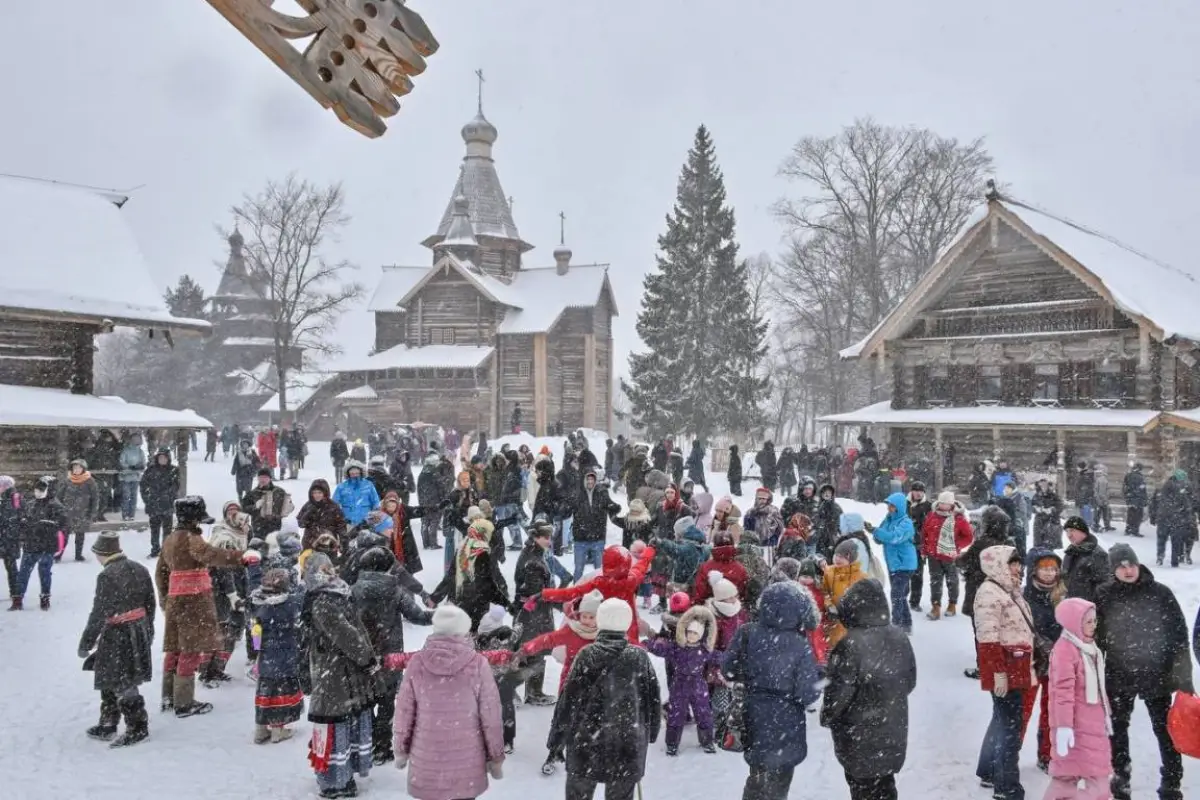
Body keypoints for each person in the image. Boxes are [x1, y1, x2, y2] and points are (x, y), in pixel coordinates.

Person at [1095, 543, 1192, 800]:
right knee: (1117, 729)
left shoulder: (1160, 593)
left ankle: (1171, 782)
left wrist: (1183, 677)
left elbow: (1179, 636)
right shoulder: (1104, 595)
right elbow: (1096, 637)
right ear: (1113, 570)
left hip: (1156, 673)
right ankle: (1120, 779)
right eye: (1121, 566)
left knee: (1165, 730)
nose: (1127, 570)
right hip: (1119, 673)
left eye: (1131, 565)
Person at [546, 598, 661, 800]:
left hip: (585, 743)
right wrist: (651, 732)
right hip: (627, 744)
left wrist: (557, 739)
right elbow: (653, 700)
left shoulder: (586, 655)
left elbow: (568, 702)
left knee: (578, 795)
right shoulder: (639, 658)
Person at [722, 582, 821, 800]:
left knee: (758, 773)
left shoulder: (747, 632)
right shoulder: (799, 644)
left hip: (754, 714)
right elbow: (808, 694)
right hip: (787, 720)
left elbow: (728, 669)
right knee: (779, 781)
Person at [821, 579, 917, 800]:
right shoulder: (899, 636)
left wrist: (828, 715)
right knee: (885, 785)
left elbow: (838, 695)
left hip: (858, 735)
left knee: (863, 788)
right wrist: (887, 698)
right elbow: (909, 681)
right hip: (892, 729)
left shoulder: (850, 644)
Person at [156, 496, 250, 717]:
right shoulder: (191, 538)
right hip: (193, 600)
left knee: (174, 649)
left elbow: (161, 573)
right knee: (190, 649)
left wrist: (165, 598)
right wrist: (242, 556)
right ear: (193, 519)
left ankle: (168, 697)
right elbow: (212, 555)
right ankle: (184, 702)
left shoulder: (170, 539)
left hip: (175, 600)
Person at [303, 554, 385, 799]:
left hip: (346, 671)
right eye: (322, 568)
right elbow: (345, 633)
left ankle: (345, 776)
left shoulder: (338, 592)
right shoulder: (322, 600)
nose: (329, 571)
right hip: (333, 673)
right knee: (334, 724)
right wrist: (366, 657)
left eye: (329, 566)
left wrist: (366, 656)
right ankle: (332, 782)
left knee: (347, 722)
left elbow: (354, 630)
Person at [351, 547, 433, 763]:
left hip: (362, 654)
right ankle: (382, 746)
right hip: (390, 654)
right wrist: (443, 616)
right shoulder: (394, 590)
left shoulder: (353, 590)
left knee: (365, 700)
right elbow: (418, 616)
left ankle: (365, 742)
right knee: (387, 701)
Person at [77, 531, 156, 748]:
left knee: (121, 678)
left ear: (101, 553)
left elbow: (99, 612)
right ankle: (108, 722)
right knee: (112, 673)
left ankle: (137, 727)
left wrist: (86, 642)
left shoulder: (107, 575)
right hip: (138, 628)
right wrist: (148, 630)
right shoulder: (140, 568)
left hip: (118, 632)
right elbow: (150, 603)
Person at [973, 545, 1035, 800]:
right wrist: (998, 673)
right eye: (1013, 563)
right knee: (1010, 728)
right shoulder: (989, 593)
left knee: (1003, 722)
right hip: (1006, 669)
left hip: (1016, 666)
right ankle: (1007, 787)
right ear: (998, 564)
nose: (1018, 568)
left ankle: (990, 770)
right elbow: (987, 640)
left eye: (1018, 563)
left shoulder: (1008, 588)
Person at [1044, 597, 1112, 800]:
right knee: (1092, 784)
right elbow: (1062, 692)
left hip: (1092, 724)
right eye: (1088, 621)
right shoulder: (1066, 649)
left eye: (1094, 620)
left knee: (1068, 780)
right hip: (1076, 726)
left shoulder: (1088, 646)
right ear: (1074, 622)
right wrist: (1064, 726)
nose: (1094, 625)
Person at [539, 544, 657, 643]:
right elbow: (642, 563)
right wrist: (650, 549)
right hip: (628, 630)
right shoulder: (631, 580)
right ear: (627, 564)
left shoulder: (599, 583)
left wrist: (545, 594)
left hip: (604, 632)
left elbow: (571, 593)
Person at [645, 604, 723, 755]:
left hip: (698, 685)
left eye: (695, 633)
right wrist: (647, 645)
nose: (692, 636)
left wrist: (736, 660)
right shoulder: (676, 648)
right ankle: (672, 743)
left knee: (703, 713)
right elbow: (661, 648)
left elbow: (720, 657)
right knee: (676, 714)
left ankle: (707, 741)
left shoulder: (704, 650)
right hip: (679, 685)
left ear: (701, 635)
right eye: (689, 632)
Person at [248, 567, 305, 745]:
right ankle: (278, 730)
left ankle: (260, 729)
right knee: (281, 692)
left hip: (265, 656)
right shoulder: (289, 604)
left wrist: (257, 648)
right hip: (285, 656)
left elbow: (255, 633)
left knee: (265, 691)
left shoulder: (258, 604)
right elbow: (301, 599)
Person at [1021, 548, 1065, 773]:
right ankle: (1008, 755)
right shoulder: (1022, 596)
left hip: (1058, 663)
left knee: (1052, 711)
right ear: (1033, 570)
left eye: (1053, 568)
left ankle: (1047, 754)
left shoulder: (1065, 595)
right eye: (1044, 568)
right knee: (1021, 711)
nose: (1049, 573)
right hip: (1030, 663)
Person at [429, 518, 510, 632]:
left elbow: (450, 577)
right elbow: (493, 579)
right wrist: (504, 599)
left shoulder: (463, 550)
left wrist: (435, 597)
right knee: (471, 634)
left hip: (463, 600)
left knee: (461, 633)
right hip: (475, 603)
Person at [511, 522, 561, 706]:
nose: (549, 541)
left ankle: (519, 690)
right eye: (545, 537)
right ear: (535, 537)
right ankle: (529, 692)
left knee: (528, 652)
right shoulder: (533, 561)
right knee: (534, 652)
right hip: (534, 615)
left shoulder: (532, 554)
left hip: (530, 613)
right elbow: (536, 593)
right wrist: (559, 602)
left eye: (550, 537)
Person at [15, 476, 67, 610]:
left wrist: (46, 525)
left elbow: (62, 524)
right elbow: (24, 519)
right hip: (30, 544)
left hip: (47, 545)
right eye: (36, 490)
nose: (37, 493)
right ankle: (18, 599)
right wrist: (23, 523)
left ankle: (45, 598)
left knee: (44, 573)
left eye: (41, 490)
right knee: (23, 573)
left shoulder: (56, 505)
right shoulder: (31, 503)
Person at [920, 490, 973, 620]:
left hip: (950, 556)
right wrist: (924, 550)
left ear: (951, 504)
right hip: (933, 555)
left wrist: (956, 546)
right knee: (935, 582)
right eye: (941, 503)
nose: (942, 506)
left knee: (952, 581)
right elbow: (924, 534)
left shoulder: (959, 518)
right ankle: (936, 606)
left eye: (946, 504)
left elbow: (968, 537)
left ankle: (952, 604)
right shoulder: (932, 516)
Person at [872, 492, 918, 633]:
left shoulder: (906, 523)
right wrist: (875, 533)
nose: (889, 508)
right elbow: (880, 537)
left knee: (896, 595)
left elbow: (894, 537)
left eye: (892, 506)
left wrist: (876, 532)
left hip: (905, 564)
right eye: (889, 505)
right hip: (894, 564)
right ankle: (907, 624)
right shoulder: (888, 519)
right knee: (900, 595)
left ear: (899, 507)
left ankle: (896, 626)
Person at [573, 468, 619, 581]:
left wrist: (615, 508)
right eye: (587, 479)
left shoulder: (602, 492)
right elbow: (567, 509)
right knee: (578, 569)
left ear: (595, 480)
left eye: (592, 479)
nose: (590, 481)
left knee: (599, 570)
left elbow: (611, 506)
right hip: (580, 538)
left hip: (598, 538)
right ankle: (576, 590)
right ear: (584, 480)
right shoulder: (577, 493)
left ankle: (600, 590)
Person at [1149, 469, 1197, 567]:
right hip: (1176, 519)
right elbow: (1186, 506)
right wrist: (1188, 517)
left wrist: (1153, 516)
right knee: (1176, 541)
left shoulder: (1161, 488)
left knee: (1161, 539)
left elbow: (1153, 503)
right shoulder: (1181, 490)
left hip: (1163, 518)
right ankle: (1175, 561)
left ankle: (1160, 557)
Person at [139, 447, 179, 559]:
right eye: (160, 457)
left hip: (167, 505)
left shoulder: (173, 470)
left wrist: (167, 496)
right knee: (154, 529)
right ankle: (155, 549)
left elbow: (176, 486)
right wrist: (147, 499)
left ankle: (166, 550)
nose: (162, 460)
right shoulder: (150, 470)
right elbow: (143, 486)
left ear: (168, 458)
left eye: (164, 458)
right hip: (153, 505)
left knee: (167, 530)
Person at [59, 458, 100, 562]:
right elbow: (59, 496)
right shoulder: (67, 480)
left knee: (80, 536)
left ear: (83, 469)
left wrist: (92, 513)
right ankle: (59, 555)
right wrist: (59, 510)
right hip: (67, 513)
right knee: (64, 536)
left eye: (78, 467)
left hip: (83, 514)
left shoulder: (90, 481)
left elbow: (95, 498)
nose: (76, 470)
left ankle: (78, 555)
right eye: (74, 468)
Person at [1061, 517, 1108, 604]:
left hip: (1088, 607)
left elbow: (1105, 586)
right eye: (1067, 531)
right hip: (1071, 605)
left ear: (1083, 531)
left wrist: (1088, 605)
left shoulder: (1098, 554)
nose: (1069, 535)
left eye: (1072, 530)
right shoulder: (1070, 552)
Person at [241, 468, 293, 541]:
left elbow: (289, 505)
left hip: (276, 527)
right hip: (258, 528)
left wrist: (288, 507)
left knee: (274, 546)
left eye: (265, 477)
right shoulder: (252, 493)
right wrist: (254, 507)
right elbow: (243, 509)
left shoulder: (279, 491)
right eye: (261, 477)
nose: (263, 479)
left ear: (270, 478)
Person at [905, 481, 931, 612]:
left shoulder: (928, 506)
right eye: (916, 491)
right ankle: (902, 597)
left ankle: (915, 601)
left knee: (917, 575)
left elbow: (930, 525)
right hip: (905, 544)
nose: (918, 493)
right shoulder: (904, 504)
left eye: (921, 491)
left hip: (919, 545)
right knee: (904, 573)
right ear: (912, 491)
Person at [333, 461, 381, 530]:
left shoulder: (368, 485)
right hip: (348, 523)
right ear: (348, 473)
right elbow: (334, 503)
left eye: (357, 473)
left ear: (361, 472)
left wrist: (373, 516)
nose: (355, 475)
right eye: (352, 473)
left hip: (365, 523)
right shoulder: (342, 487)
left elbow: (376, 502)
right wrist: (339, 517)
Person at [0, 475, 24, 609]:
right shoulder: (4, 498)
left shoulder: (14, 498)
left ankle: (15, 593)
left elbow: (18, 517)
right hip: (6, 537)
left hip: (9, 538)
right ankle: (14, 592)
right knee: (11, 566)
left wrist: (12, 533)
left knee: (11, 567)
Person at [117, 435, 146, 522]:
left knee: (134, 496)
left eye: (138, 439)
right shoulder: (126, 450)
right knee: (126, 496)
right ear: (131, 440)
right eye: (134, 439)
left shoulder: (140, 452)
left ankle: (132, 514)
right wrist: (130, 467)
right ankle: (125, 514)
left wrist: (139, 467)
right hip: (125, 477)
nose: (136, 441)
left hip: (135, 477)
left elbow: (143, 463)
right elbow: (122, 462)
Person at [1032, 478, 1065, 551]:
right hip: (1039, 522)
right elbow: (1031, 506)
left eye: (1045, 485)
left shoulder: (1053, 495)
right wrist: (1036, 509)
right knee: (1038, 544)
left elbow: (1060, 506)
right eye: (1041, 485)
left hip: (1051, 521)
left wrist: (1051, 510)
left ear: (1047, 485)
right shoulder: (1036, 495)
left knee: (1049, 545)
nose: (1043, 486)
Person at [1122, 463, 1148, 537]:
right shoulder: (1140, 477)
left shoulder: (1128, 475)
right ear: (1140, 469)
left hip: (1130, 499)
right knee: (1138, 516)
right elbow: (1142, 490)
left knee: (1130, 515)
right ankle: (1135, 531)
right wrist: (1145, 500)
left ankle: (1128, 530)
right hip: (1138, 500)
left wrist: (1126, 497)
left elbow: (1124, 487)